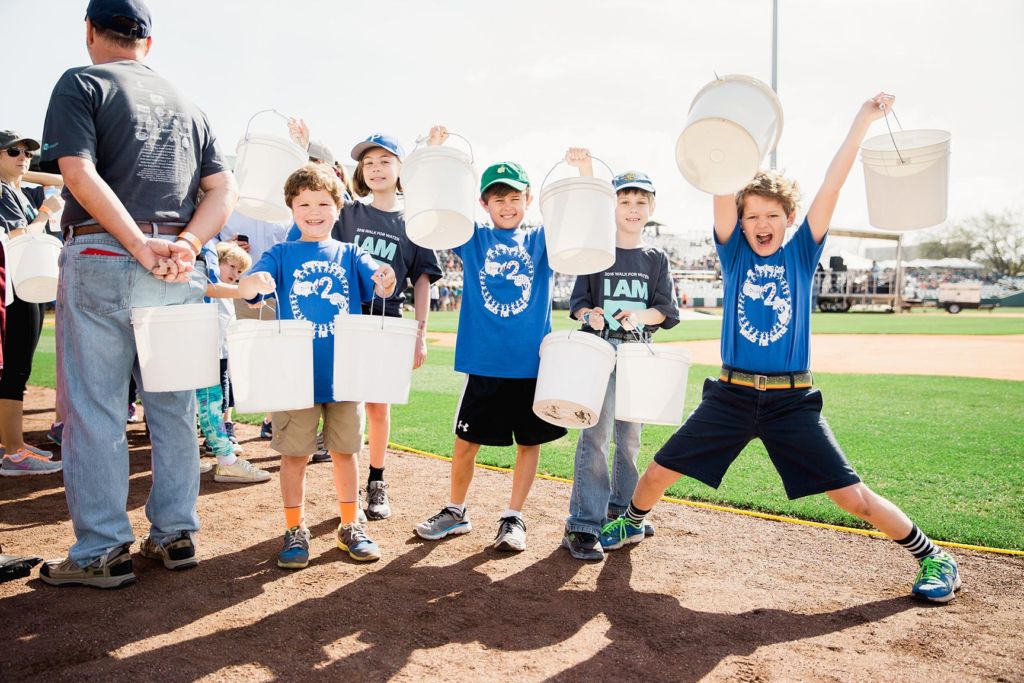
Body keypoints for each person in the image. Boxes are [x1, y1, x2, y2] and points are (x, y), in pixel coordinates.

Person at [600, 93, 961, 604]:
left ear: (788, 218)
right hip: (731, 395)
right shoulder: (734, 255)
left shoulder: (801, 253)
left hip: (792, 401)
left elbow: (832, 184)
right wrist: (719, 136)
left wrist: (862, 120)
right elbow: (721, 188)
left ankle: (934, 557)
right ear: (741, 223)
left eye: (772, 215)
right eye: (752, 216)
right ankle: (632, 523)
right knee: (659, 471)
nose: (761, 223)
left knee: (850, 497)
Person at [38, 0, 238, 588]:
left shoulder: (81, 80)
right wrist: (188, 242)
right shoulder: (189, 104)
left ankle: (102, 549)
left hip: (103, 252)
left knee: (96, 408)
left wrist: (136, 243)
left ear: (90, 32)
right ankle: (175, 533)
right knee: (171, 405)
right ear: (147, 42)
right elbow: (223, 187)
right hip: (175, 264)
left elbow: (77, 171)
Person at [414, 129, 576, 552]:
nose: (507, 206)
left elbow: (579, 214)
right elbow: (435, 206)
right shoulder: (474, 237)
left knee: (529, 443)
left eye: (514, 197)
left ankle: (513, 516)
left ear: (528, 200)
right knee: (466, 443)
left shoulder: (542, 239)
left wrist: (583, 170)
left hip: (530, 364)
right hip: (484, 362)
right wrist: (433, 152)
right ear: (483, 204)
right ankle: (455, 510)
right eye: (497, 198)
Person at [238, 164, 396, 567]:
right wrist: (255, 283)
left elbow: (379, 280)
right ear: (291, 208)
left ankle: (349, 524)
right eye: (304, 203)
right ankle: (295, 528)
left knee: (346, 453)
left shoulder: (349, 252)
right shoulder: (280, 253)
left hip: (344, 375)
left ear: (338, 208)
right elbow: (248, 285)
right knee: (294, 456)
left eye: (323, 203)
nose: (314, 211)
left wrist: (386, 277)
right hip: (296, 375)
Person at [287, 122, 442, 518]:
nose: (375, 168)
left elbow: (422, 280)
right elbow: (316, 206)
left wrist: (421, 333)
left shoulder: (415, 220)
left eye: (384, 160)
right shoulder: (348, 212)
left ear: (400, 167)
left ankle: (377, 480)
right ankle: (346, 487)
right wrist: (305, 151)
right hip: (342, 320)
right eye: (368, 162)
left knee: (377, 407)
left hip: (387, 321)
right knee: (341, 406)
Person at [561, 162, 679, 561]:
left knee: (629, 439)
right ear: (612, 206)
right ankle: (583, 523)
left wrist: (640, 315)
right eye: (624, 200)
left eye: (640, 201)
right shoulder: (597, 251)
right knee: (595, 435)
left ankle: (623, 514)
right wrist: (590, 315)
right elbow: (578, 305)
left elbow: (664, 311)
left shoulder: (655, 257)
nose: (632, 207)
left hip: (636, 350)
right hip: (600, 350)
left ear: (651, 207)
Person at [0, 131, 63, 476]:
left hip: (23, 284)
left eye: (27, 151)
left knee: (13, 368)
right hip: (17, 285)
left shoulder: (15, 187)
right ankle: (13, 452)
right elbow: (18, 238)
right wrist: (44, 213)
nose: (23, 156)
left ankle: (11, 444)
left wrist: (22, 172)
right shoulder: (4, 191)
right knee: (15, 369)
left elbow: (62, 179)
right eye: (13, 151)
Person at [195, 240, 270, 483]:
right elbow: (207, 287)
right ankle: (226, 461)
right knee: (210, 405)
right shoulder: (207, 259)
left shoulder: (226, 293)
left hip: (217, 353)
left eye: (240, 271)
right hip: (204, 351)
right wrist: (245, 292)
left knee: (212, 404)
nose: (236, 275)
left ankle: (191, 458)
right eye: (232, 267)